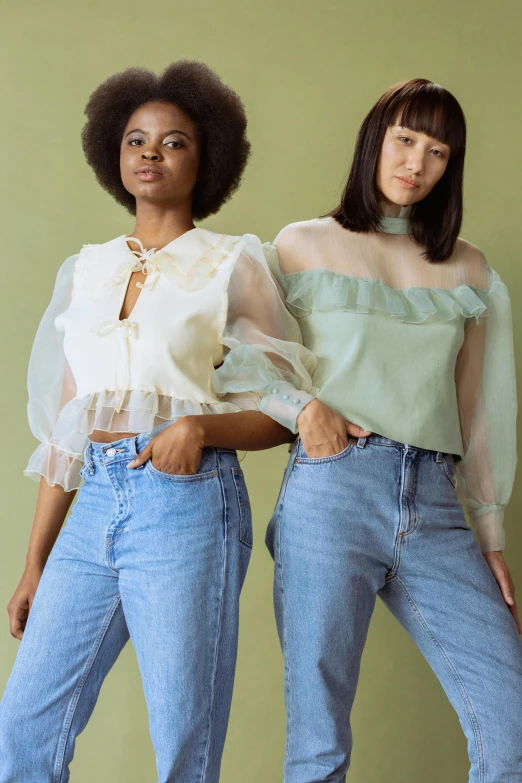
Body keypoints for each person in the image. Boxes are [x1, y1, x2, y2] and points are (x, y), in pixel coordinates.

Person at [0, 61, 316, 783]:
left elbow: (285, 407)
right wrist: (34, 561)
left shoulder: (233, 261)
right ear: (114, 153)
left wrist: (201, 429)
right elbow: (65, 430)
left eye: (174, 142)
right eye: (136, 139)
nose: (150, 152)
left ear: (206, 162)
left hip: (186, 501)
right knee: (23, 726)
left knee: (182, 733)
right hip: (92, 509)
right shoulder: (86, 269)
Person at [266, 78, 522, 782]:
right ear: (375, 137)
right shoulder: (302, 244)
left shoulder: (467, 267)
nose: (417, 162)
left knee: (512, 721)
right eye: (405, 139)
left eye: (438, 151)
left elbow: (479, 410)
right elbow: (242, 353)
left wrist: (491, 535)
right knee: (319, 744)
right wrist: (302, 409)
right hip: (332, 491)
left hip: (436, 503)